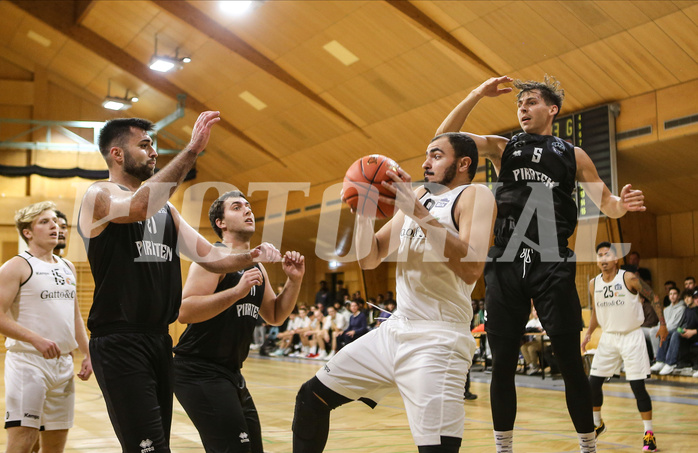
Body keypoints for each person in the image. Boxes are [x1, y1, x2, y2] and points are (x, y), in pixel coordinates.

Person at [436, 75, 647, 453]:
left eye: (530, 102)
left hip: (551, 261)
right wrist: (475, 94)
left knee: (569, 359)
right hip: (506, 260)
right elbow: (441, 140)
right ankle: (504, 448)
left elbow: (608, 204)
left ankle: (587, 446)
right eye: (519, 104)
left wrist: (621, 204)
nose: (522, 108)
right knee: (502, 361)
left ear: (552, 109)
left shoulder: (573, 155)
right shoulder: (504, 148)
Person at [77, 113, 281, 452]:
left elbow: (212, 258)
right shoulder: (99, 195)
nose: (153, 152)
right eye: (144, 145)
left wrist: (252, 255)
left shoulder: (166, 211)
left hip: (158, 341)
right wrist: (192, 151)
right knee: (148, 448)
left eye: (153, 145)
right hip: (119, 341)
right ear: (117, 154)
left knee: (159, 447)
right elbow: (139, 206)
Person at [292, 132, 496, 452]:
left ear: (463, 163)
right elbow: (370, 258)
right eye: (426, 154)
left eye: (437, 155)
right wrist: (363, 209)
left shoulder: (476, 195)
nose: (426, 162)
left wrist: (416, 211)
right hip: (395, 330)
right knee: (310, 398)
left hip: (438, 339)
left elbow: (471, 268)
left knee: (437, 448)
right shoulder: (419, 197)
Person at [173, 191, 305, 453]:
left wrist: (294, 280)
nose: (247, 211)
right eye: (236, 207)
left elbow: (275, 315)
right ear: (220, 223)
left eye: (248, 206)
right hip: (197, 371)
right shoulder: (213, 258)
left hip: (231, 373)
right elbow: (184, 310)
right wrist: (236, 292)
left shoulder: (258, 267)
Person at [0, 201, 92, 453]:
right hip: (28, 364)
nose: (55, 226)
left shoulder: (67, 267)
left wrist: (88, 353)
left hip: (62, 365)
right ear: (27, 232)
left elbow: (74, 318)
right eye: (45, 222)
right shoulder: (16, 266)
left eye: (57, 222)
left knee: (54, 446)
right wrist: (35, 339)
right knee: (23, 442)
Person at [581, 242, 667, 452]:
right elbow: (596, 312)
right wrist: (590, 332)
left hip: (631, 337)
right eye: (599, 255)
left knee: (638, 387)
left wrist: (663, 324)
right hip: (609, 338)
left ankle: (649, 434)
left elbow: (654, 297)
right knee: (593, 384)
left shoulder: (628, 278)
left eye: (607, 255)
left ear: (616, 259)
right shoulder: (594, 284)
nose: (603, 259)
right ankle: (597, 423)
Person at [650, 287, 687, 375]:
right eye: (670, 294)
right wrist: (660, 329)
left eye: (674, 294)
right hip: (666, 329)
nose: (672, 296)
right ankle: (658, 359)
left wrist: (663, 330)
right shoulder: (666, 309)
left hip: (675, 329)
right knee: (653, 331)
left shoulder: (682, 308)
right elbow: (661, 323)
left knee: (665, 333)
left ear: (678, 296)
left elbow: (676, 324)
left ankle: (665, 361)